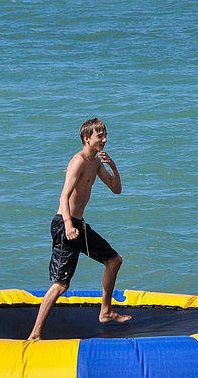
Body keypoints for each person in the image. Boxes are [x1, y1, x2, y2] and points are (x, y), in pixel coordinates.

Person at [28, 118, 130, 340]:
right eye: (99, 136)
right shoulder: (79, 161)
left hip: (78, 224)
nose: (104, 139)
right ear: (87, 138)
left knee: (114, 261)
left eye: (105, 135)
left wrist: (113, 166)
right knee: (61, 284)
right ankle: (35, 334)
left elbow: (116, 189)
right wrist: (67, 225)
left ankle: (105, 311)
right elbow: (63, 196)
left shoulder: (95, 163)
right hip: (65, 223)